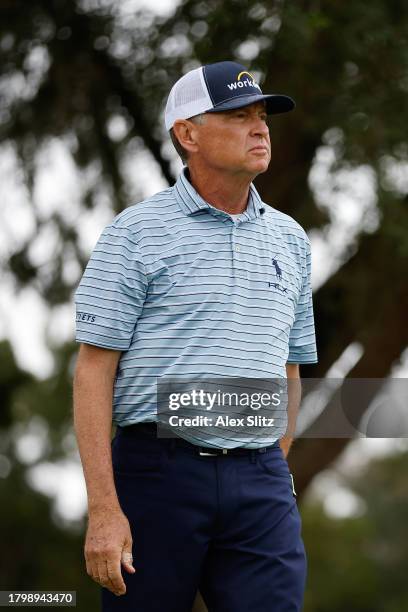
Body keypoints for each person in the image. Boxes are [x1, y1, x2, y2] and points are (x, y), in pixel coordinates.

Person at [73, 60, 318, 612]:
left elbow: (292, 367)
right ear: (188, 134)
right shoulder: (134, 233)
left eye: (263, 117)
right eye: (238, 117)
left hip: (261, 482)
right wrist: (105, 510)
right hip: (157, 475)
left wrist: (271, 464)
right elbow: (93, 370)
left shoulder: (291, 239)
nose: (260, 129)